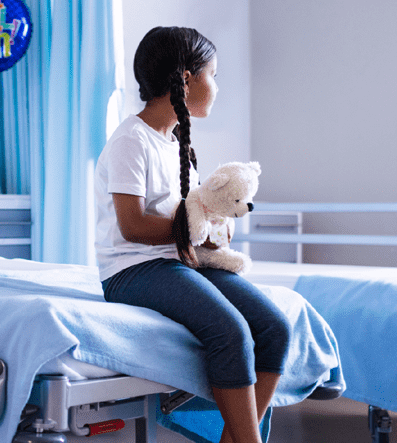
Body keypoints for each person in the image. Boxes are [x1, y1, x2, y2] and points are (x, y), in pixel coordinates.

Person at [93, 26, 290, 443]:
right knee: (231, 332)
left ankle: (235, 438)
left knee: (275, 328)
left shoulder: (176, 142)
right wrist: (195, 231)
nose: (216, 87)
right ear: (185, 78)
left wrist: (214, 231)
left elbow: (190, 215)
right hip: (134, 269)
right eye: (213, 75)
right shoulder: (131, 141)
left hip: (179, 261)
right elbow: (132, 226)